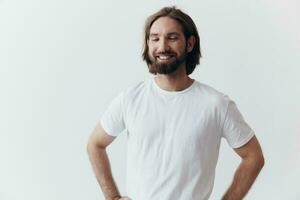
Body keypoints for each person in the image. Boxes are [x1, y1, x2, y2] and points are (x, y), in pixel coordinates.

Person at [87, 6, 265, 200]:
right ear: (148, 44)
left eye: (172, 38)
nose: (162, 46)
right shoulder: (130, 99)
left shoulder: (216, 104)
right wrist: (112, 197)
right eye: (155, 38)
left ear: (189, 44)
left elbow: (253, 156)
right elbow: (95, 144)